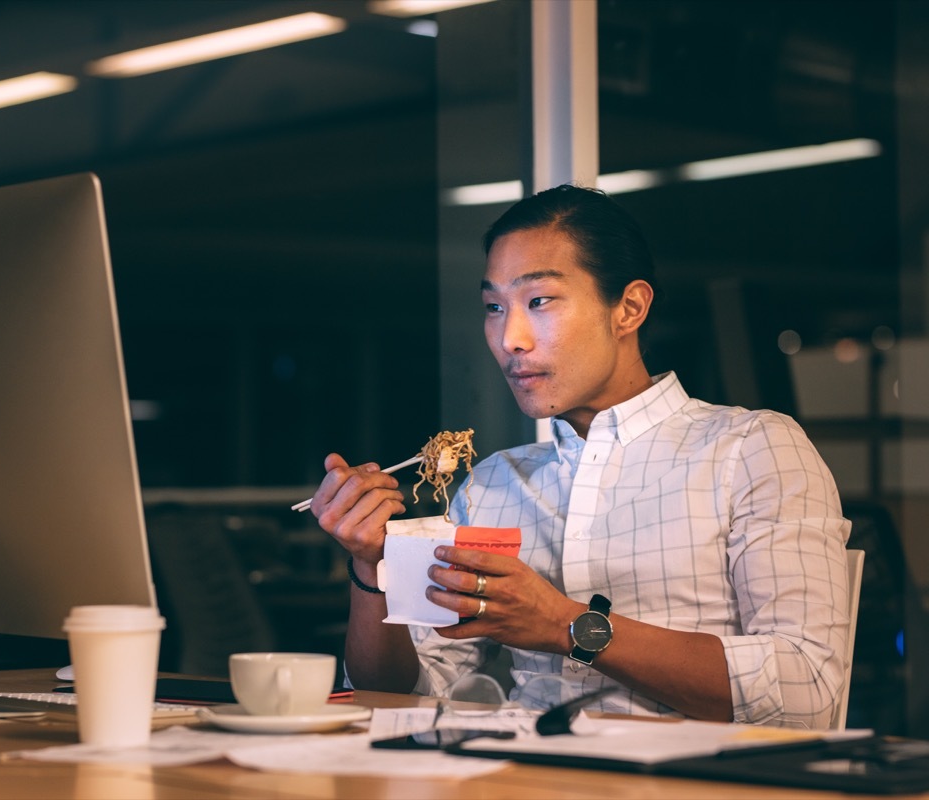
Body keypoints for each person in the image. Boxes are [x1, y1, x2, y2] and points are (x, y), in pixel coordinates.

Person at [309, 184, 851, 729]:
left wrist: (567, 626)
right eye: (494, 307)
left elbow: (807, 689)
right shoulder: (494, 483)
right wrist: (369, 565)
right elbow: (398, 695)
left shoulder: (751, 448)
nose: (510, 339)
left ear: (629, 308)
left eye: (538, 301)